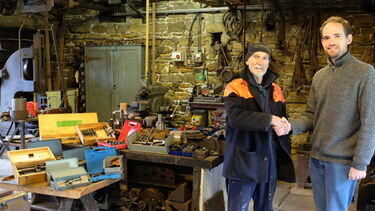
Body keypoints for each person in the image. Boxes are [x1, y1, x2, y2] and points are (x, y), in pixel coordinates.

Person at [275, 16, 375, 211]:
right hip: (317, 159)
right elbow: (311, 115)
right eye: (326, 37)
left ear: (349, 39)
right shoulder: (319, 76)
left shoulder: (365, 73)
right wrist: (290, 126)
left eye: (337, 36)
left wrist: (361, 163)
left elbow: (370, 122)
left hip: (343, 163)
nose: (330, 42)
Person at [223, 43, 295, 211]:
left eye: (265, 58)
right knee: (238, 207)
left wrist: (286, 126)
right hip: (244, 158)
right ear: (247, 60)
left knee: (265, 207)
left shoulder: (276, 89)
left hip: (269, 156)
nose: (260, 62)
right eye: (256, 57)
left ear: (268, 63)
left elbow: (283, 118)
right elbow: (236, 118)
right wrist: (270, 119)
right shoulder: (235, 86)